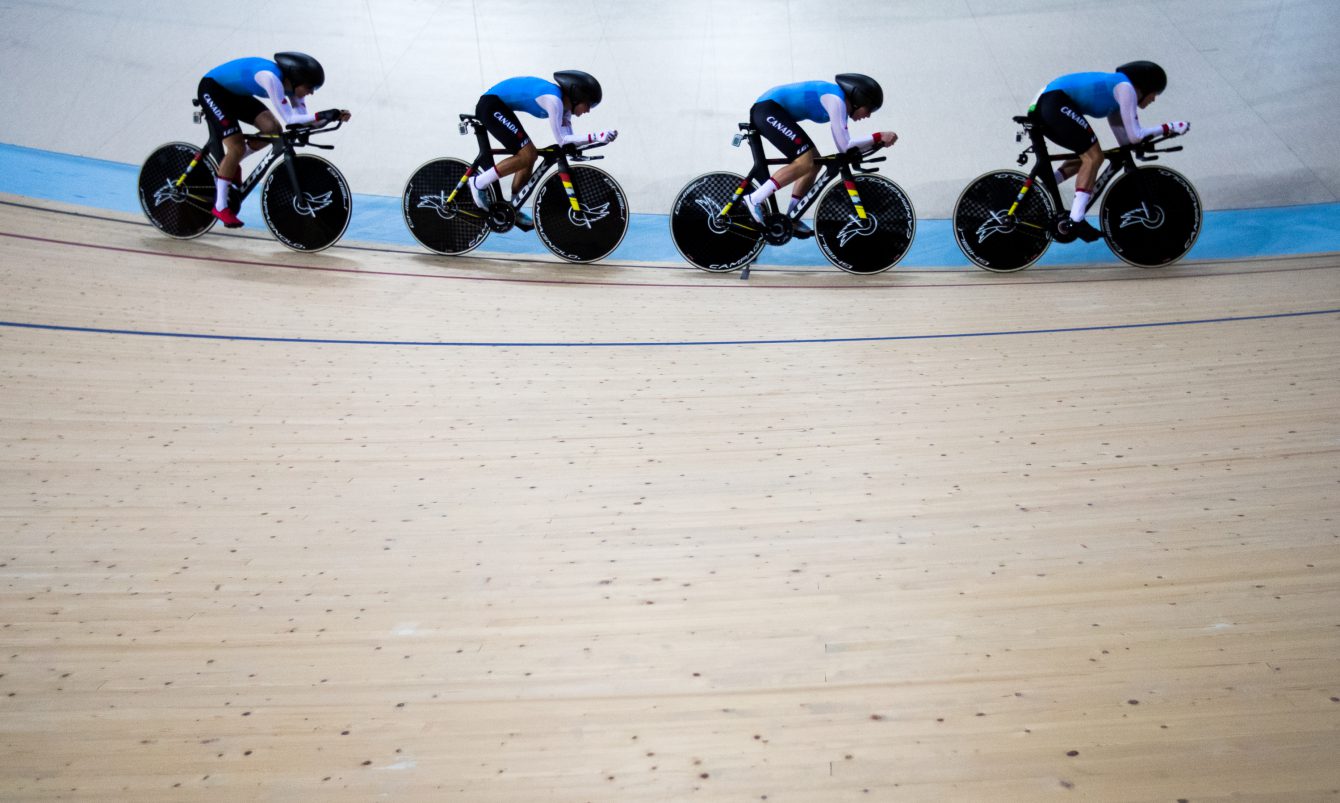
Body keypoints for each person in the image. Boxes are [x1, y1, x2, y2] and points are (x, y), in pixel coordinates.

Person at [1031, 61, 1189, 241]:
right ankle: (1076, 220)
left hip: (1046, 103)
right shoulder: (1126, 88)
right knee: (1094, 157)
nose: (1154, 99)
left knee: (1086, 155)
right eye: (1155, 93)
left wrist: (1135, 148)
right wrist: (1170, 127)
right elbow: (1136, 135)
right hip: (1053, 101)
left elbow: (1126, 139)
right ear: (1145, 86)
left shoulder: (1116, 97)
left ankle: (1042, 189)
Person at [197, 52, 352, 228]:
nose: (311, 92)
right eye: (310, 87)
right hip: (212, 90)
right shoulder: (270, 78)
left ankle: (231, 163)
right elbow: (290, 119)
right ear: (297, 79)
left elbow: (303, 121)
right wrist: (322, 115)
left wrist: (332, 117)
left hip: (235, 94)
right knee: (236, 147)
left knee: (272, 130)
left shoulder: (294, 87)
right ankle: (220, 206)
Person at [743, 74, 897, 238]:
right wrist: (878, 136)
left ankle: (791, 218)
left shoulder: (840, 104)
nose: (869, 115)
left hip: (771, 110)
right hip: (767, 109)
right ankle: (754, 199)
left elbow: (844, 149)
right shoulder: (836, 100)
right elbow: (845, 145)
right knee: (805, 161)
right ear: (859, 99)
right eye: (870, 109)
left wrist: (874, 142)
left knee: (813, 164)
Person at [467, 71, 617, 230]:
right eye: (589, 104)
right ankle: (478, 183)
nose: (588, 110)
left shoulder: (565, 109)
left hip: (499, 105)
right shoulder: (554, 101)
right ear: (577, 97)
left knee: (529, 156)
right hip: (490, 105)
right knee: (528, 154)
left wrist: (599, 139)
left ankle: (513, 206)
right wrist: (596, 136)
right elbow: (562, 139)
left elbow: (569, 141)